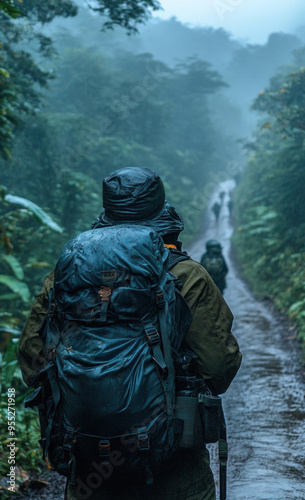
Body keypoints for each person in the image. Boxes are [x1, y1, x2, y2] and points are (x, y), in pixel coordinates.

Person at [18, 167, 242, 500]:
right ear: (160, 207)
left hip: (89, 469)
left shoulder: (65, 277)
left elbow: (32, 366)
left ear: (107, 209)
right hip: (176, 474)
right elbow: (219, 368)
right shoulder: (185, 274)